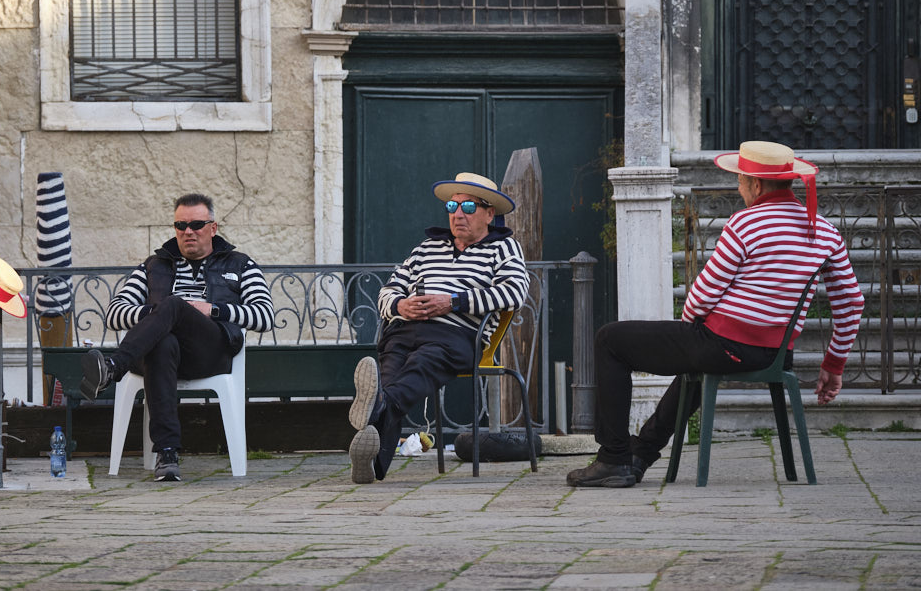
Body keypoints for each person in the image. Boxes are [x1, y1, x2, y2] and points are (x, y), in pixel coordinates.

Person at [566, 141, 865, 488]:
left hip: (725, 345)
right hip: (778, 355)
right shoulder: (825, 230)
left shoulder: (746, 224)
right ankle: (641, 455)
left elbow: (704, 293)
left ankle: (613, 458)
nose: (739, 189)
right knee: (698, 358)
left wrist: (688, 326)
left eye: (740, 180)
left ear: (755, 183)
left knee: (610, 339)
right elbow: (852, 302)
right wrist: (834, 364)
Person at [347, 172, 531, 484]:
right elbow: (387, 291)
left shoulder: (504, 248)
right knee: (391, 376)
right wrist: (399, 306)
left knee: (420, 365)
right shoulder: (426, 248)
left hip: (457, 336)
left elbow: (516, 292)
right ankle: (374, 460)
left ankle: (377, 408)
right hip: (404, 329)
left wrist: (453, 302)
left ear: (489, 214)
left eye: (469, 208)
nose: (458, 215)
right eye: (452, 207)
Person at [79, 193, 274, 481]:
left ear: (213, 227)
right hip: (160, 356)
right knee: (164, 338)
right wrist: (160, 316)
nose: (188, 232)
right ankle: (167, 453)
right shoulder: (153, 266)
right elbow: (115, 313)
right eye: (180, 226)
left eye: (196, 224)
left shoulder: (240, 265)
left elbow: (265, 315)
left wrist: (214, 309)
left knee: (173, 304)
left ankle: (112, 368)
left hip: (209, 352)